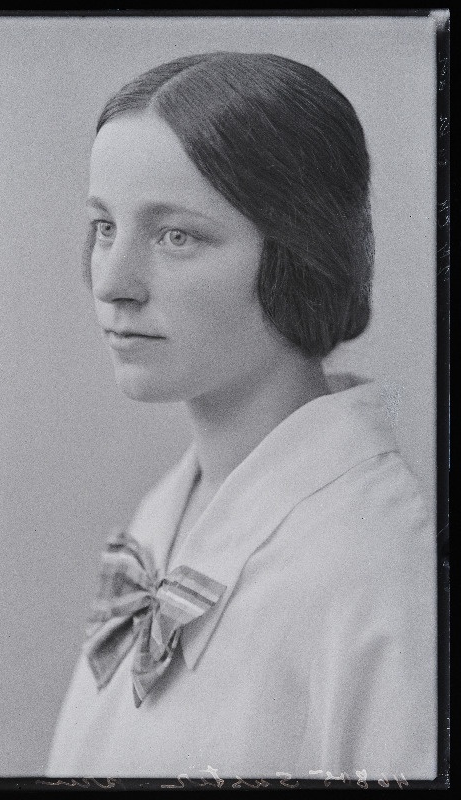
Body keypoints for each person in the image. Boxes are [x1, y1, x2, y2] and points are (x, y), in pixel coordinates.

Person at [46, 52, 436, 780]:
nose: (114, 282)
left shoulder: (378, 567)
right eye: (104, 227)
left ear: (298, 253)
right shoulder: (165, 514)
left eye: (176, 236)